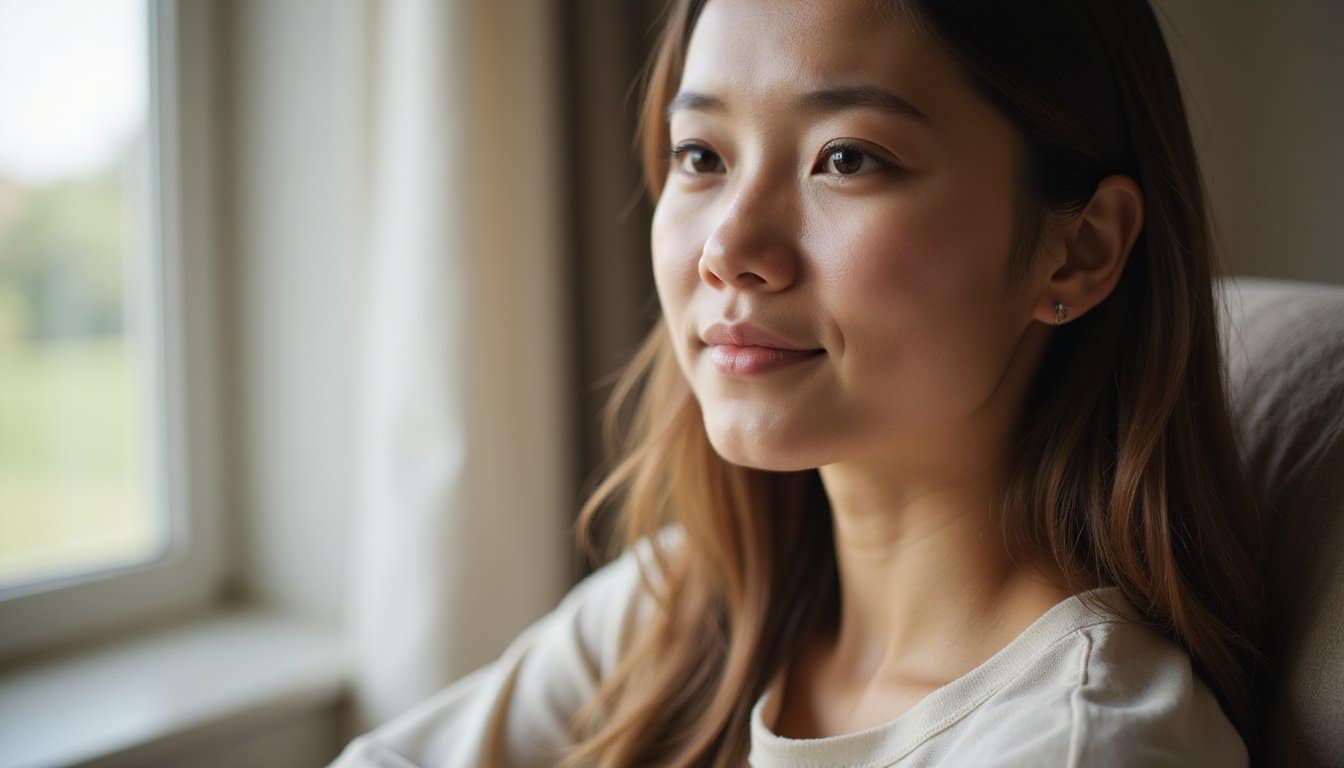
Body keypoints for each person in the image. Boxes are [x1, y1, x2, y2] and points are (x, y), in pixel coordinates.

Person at [330, 0, 1266, 765]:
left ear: (1079, 249)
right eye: (702, 155)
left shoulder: (1080, 744)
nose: (729, 250)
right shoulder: (683, 615)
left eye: (848, 159)